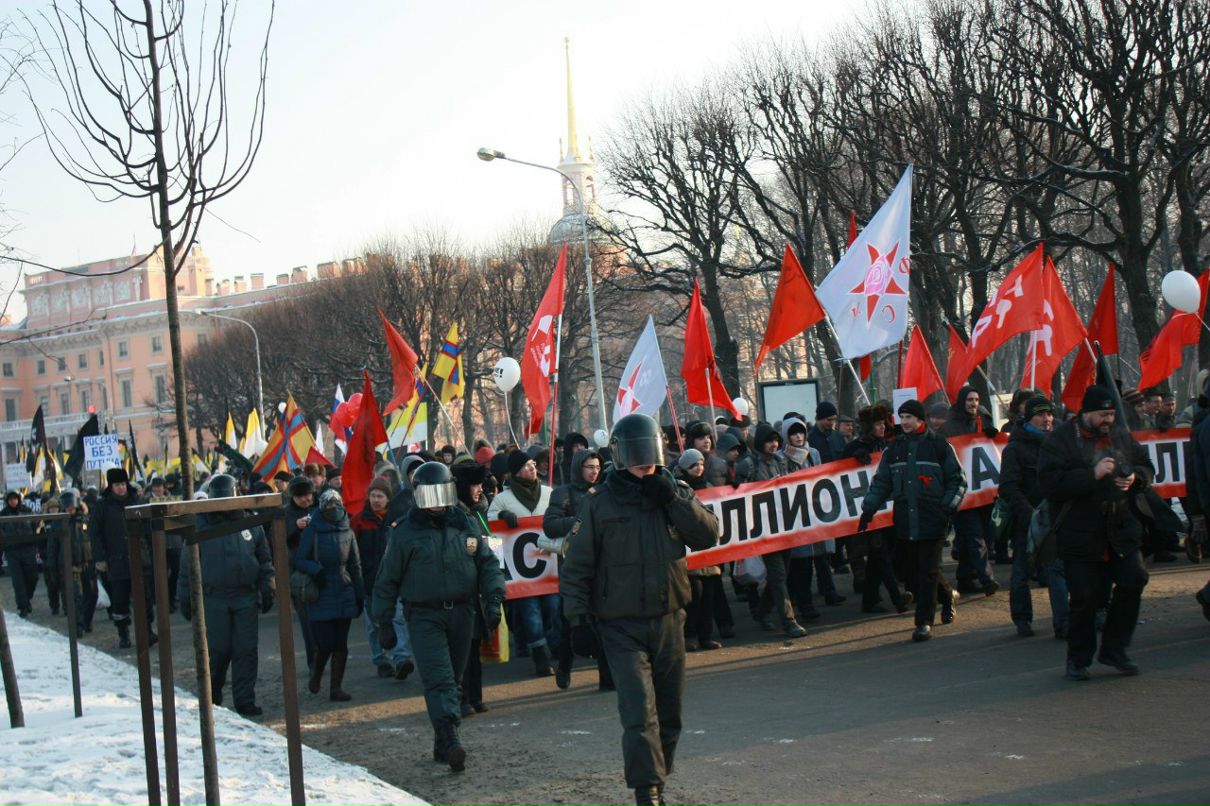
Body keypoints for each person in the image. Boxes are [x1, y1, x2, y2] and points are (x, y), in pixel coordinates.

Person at [560, 413, 719, 806]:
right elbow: (577, 565)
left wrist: (673, 499)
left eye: (648, 453)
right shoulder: (600, 503)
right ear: (619, 455)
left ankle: (657, 780)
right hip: (620, 625)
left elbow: (707, 535)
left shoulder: (673, 491)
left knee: (669, 716)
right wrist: (577, 619)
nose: (642, 463)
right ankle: (647, 792)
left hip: (669, 618)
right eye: (634, 454)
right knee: (638, 713)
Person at [372, 461, 506, 772]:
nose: (434, 502)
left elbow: (487, 562)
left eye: (439, 494)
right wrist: (383, 624)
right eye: (427, 495)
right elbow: (386, 580)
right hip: (424, 615)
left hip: (462, 612)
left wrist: (494, 599)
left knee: (454, 679)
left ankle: (440, 741)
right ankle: (451, 737)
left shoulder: (465, 523)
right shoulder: (405, 532)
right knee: (439, 679)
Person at [1037, 386, 1153, 681]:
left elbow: (1146, 466)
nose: (1108, 420)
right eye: (1103, 414)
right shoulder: (1060, 440)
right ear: (1085, 413)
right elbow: (1050, 483)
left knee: (1134, 579)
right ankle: (1078, 658)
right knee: (1086, 597)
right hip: (1080, 533)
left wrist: (1135, 478)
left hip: (1120, 528)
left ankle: (1115, 648)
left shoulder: (1120, 434)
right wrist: (1092, 475)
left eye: (1112, 413)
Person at [859, 399, 966, 642]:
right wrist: (868, 509)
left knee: (927, 571)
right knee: (916, 569)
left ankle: (923, 623)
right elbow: (882, 482)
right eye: (902, 417)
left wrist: (947, 508)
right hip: (905, 520)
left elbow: (957, 480)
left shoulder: (939, 445)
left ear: (920, 419)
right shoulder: (894, 448)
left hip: (933, 518)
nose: (904, 422)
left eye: (909, 417)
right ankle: (948, 594)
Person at [177, 474, 274, 716]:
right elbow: (186, 567)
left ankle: (244, 699)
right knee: (219, 650)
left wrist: (267, 586)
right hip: (214, 598)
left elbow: (264, 559)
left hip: (245, 596)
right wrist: (185, 598)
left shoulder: (251, 523)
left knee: (246, 649)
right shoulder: (199, 526)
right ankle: (213, 693)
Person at [543, 448, 616, 687]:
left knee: (604, 621)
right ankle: (564, 665)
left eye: (597, 467)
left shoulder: (605, 491)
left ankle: (607, 678)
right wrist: (579, 522)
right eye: (589, 467)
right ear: (578, 468)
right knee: (570, 622)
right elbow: (550, 525)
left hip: (602, 566)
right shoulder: (563, 493)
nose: (594, 472)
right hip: (574, 569)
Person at [488, 450, 558, 676]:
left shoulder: (549, 493)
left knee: (553, 609)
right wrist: (501, 518)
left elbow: (562, 518)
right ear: (516, 472)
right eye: (527, 466)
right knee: (531, 614)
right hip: (521, 573)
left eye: (533, 464)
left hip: (549, 568)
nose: (533, 468)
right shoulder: (501, 500)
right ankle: (539, 655)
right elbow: (491, 535)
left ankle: (551, 642)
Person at [295, 488, 365, 701]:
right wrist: (316, 570)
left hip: (344, 589)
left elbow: (355, 564)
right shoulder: (313, 530)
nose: (333, 508)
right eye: (329, 505)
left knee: (341, 644)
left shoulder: (348, 530)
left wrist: (359, 593)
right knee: (325, 643)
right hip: (320, 591)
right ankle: (316, 674)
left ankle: (336, 687)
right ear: (322, 507)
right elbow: (299, 559)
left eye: (336, 504)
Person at [998, 396, 1059, 638]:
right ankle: (1022, 619)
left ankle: (1063, 619)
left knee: (1057, 570)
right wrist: (1029, 515)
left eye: (1049, 414)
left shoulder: (1057, 442)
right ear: (1029, 418)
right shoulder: (1016, 447)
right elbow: (1009, 486)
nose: (1047, 420)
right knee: (1022, 571)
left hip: (1056, 517)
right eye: (1041, 415)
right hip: (1028, 519)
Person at [844, 405, 912, 615]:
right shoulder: (853, 448)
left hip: (887, 508)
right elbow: (837, 472)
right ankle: (896, 596)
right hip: (866, 510)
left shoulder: (887, 445)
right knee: (879, 552)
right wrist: (855, 457)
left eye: (884, 423)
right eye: (878, 423)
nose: (883, 427)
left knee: (879, 556)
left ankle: (870, 600)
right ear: (868, 426)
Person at [940, 385, 1000, 595]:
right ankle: (987, 579)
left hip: (984, 491)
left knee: (975, 536)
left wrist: (993, 434)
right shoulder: (948, 428)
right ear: (962, 402)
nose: (973, 404)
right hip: (962, 492)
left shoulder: (984, 421)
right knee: (975, 536)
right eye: (969, 400)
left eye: (976, 400)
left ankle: (964, 578)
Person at [352, 478, 413, 680]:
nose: (376, 500)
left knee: (397, 617)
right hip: (369, 581)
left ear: (388, 499)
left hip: (393, 580)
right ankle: (381, 660)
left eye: (380, 496)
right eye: (373, 496)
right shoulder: (359, 521)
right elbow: (352, 554)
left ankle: (401, 658)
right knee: (375, 623)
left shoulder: (396, 520)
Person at [90, 468, 155, 648]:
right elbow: (95, 534)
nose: (120, 488)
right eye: (117, 485)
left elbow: (148, 529)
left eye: (123, 484)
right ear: (111, 486)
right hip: (116, 560)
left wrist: (152, 552)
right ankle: (123, 633)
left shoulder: (137, 501)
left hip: (140, 559)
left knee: (145, 599)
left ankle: (147, 631)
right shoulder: (102, 506)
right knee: (120, 601)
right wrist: (100, 558)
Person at [451, 460, 497, 715]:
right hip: (461, 588)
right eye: (475, 485)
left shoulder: (479, 512)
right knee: (462, 647)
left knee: (476, 643)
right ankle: (462, 697)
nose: (480, 489)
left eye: (481, 484)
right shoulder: (453, 515)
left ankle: (476, 696)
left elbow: (491, 543)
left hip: (479, 586)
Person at [45, 490, 97, 637]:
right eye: (68, 507)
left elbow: (95, 539)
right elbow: (52, 549)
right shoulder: (57, 524)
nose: (70, 510)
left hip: (87, 562)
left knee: (92, 595)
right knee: (76, 597)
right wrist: (53, 569)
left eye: (72, 507)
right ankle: (78, 626)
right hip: (69, 564)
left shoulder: (85, 520)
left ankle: (86, 621)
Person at [284, 476, 318, 671]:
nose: (306, 499)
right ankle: (313, 661)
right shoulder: (286, 513)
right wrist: (295, 527)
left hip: (320, 568)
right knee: (307, 620)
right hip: (298, 575)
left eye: (308, 494)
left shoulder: (319, 506)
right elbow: (277, 538)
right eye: (301, 496)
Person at [1, 490, 38, 618]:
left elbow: (35, 526)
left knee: (33, 577)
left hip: (28, 549)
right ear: (7, 501)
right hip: (12, 552)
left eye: (15, 498)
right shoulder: (3, 515)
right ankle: (23, 607)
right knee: (18, 581)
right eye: (10, 499)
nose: (13, 501)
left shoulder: (27, 511)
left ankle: (27, 599)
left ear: (18, 499)